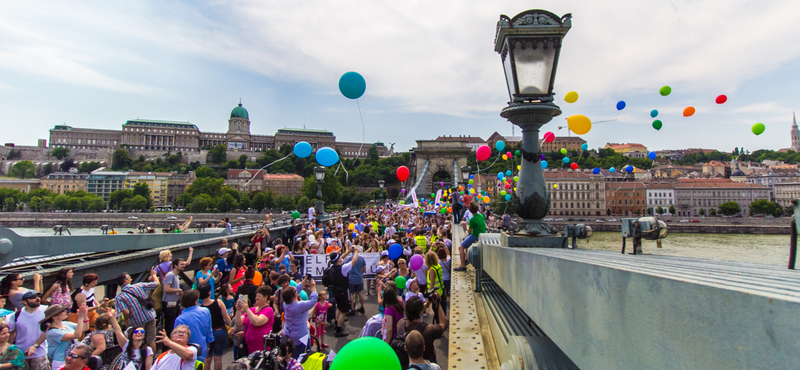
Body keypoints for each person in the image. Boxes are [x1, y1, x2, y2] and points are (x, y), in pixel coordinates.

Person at [115, 270, 160, 352]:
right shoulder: (139, 286)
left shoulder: (119, 297)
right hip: (150, 315)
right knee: (151, 339)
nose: (131, 278)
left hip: (137, 321)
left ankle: (138, 358)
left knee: (137, 341)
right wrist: (154, 275)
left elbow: (126, 312)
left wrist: (126, 320)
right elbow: (157, 284)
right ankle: (152, 358)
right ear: (126, 280)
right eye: (129, 277)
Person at [397, 296, 448, 364]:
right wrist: (437, 304)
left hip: (408, 365)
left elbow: (414, 313)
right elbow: (444, 324)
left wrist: (427, 303)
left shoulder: (401, 324)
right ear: (420, 312)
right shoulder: (428, 330)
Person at [8, 291, 48, 370]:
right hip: (20, 354)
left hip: (39, 354)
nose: (37, 299)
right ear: (24, 302)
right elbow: (12, 333)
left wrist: (35, 345)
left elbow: (48, 330)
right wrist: (9, 350)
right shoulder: (16, 315)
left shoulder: (46, 311)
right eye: (33, 298)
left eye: (38, 296)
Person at [42, 304, 88, 370]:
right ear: (54, 317)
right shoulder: (53, 332)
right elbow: (77, 335)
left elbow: (85, 328)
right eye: (62, 311)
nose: (65, 311)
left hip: (72, 359)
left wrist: (84, 315)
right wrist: (80, 318)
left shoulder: (66, 324)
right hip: (60, 361)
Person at [281, 278, 318, 359]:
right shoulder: (299, 306)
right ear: (294, 295)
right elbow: (313, 301)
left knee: (291, 356)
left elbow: (294, 290)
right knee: (302, 358)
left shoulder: (285, 304)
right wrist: (313, 287)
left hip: (289, 334)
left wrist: (305, 279)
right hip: (301, 337)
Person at [197, 284, 230, 370]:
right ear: (209, 292)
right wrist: (231, 325)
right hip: (220, 330)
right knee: (218, 358)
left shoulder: (200, 308)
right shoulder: (218, 302)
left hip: (207, 333)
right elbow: (226, 317)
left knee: (207, 359)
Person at [234, 286, 274, 356]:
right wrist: (238, 310)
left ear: (265, 297)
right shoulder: (252, 309)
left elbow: (257, 322)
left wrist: (246, 309)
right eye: (256, 296)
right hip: (248, 346)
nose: (256, 298)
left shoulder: (268, 310)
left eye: (258, 296)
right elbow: (238, 323)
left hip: (261, 347)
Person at [174, 290, 212, 362]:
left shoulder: (180, 319)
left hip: (186, 352)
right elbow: (209, 331)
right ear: (196, 301)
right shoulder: (205, 311)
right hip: (202, 348)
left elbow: (177, 339)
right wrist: (208, 346)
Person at [328, 248, 358, 337]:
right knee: (344, 311)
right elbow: (354, 260)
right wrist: (355, 251)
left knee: (338, 308)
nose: (341, 258)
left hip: (336, 290)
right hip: (343, 291)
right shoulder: (343, 268)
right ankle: (338, 330)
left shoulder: (331, 267)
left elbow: (340, 259)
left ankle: (337, 323)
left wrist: (348, 251)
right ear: (338, 260)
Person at [455, 202, 485, 271]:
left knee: (461, 247)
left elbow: (469, 231)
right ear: (477, 209)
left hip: (475, 236)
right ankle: (466, 259)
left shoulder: (472, 220)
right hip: (482, 235)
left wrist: (467, 224)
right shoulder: (481, 216)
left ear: (470, 211)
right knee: (466, 243)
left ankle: (463, 266)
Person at [162, 259, 186, 337]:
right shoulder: (170, 275)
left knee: (174, 324)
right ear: (175, 266)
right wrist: (178, 290)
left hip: (174, 303)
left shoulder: (175, 275)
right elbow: (166, 289)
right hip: (169, 304)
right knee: (169, 325)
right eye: (181, 264)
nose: (183, 265)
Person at [346, 249, 366, 314]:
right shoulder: (362, 259)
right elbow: (364, 267)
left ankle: (352, 309)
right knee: (360, 292)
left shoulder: (349, 259)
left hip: (351, 278)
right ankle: (362, 307)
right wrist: (361, 273)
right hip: (359, 278)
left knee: (351, 293)